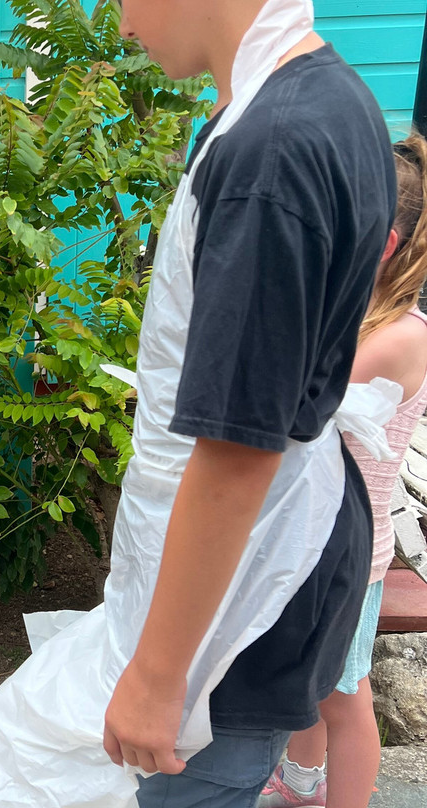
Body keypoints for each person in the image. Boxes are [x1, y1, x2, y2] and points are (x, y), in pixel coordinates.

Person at [0, 2, 398, 807]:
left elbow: (239, 449)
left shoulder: (273, 150)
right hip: (253, 559)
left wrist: (158, 677)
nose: (117, 24)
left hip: (247, 586)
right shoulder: (310, 102)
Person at [258, 134, 427, 808]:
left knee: (344, 693)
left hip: (350, 556)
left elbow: (292, 397)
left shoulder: (400, 336)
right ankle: (302, 780)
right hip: (314, 539)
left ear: (379, 242)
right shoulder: (359, 317)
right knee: (317, 680)